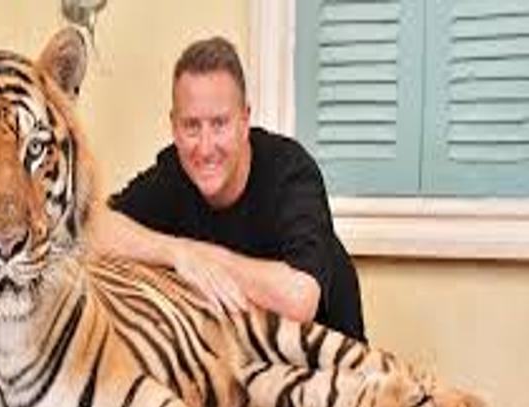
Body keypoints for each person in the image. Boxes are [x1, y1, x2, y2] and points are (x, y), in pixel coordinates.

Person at [90, 36, 366, 341]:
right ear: (174, 127)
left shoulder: (291, 171)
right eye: (192, 126)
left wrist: (207, 260)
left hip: (335, 365)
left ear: (245, 120)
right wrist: (179, 253)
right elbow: (93, 226)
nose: (205, 148)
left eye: (219, 123)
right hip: (250, 365)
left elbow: (301, 297)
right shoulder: (173, 175)